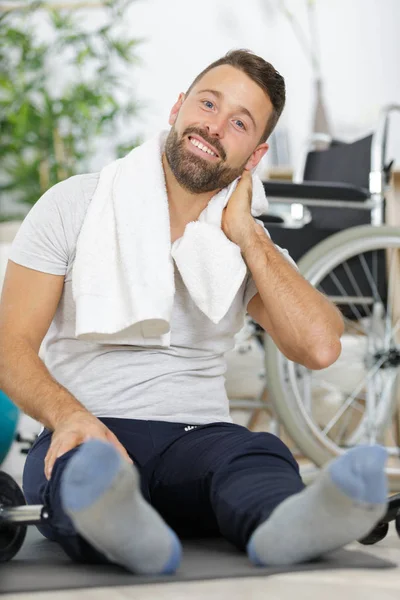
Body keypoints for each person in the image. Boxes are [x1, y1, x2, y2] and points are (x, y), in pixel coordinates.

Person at [0, 49, 388, 575]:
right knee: (83, 470)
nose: (214, 125)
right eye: (208, 103)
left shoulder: (242, 240)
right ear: (178, 106)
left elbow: (320, 346)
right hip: (92, 426)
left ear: (255, 156)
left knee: (258, 454)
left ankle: (288, 525)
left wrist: (249, 233)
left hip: (198, 437)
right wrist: (70, 418)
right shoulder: (74, 205)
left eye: (239, 123)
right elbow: (10, 346)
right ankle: (126, 529)